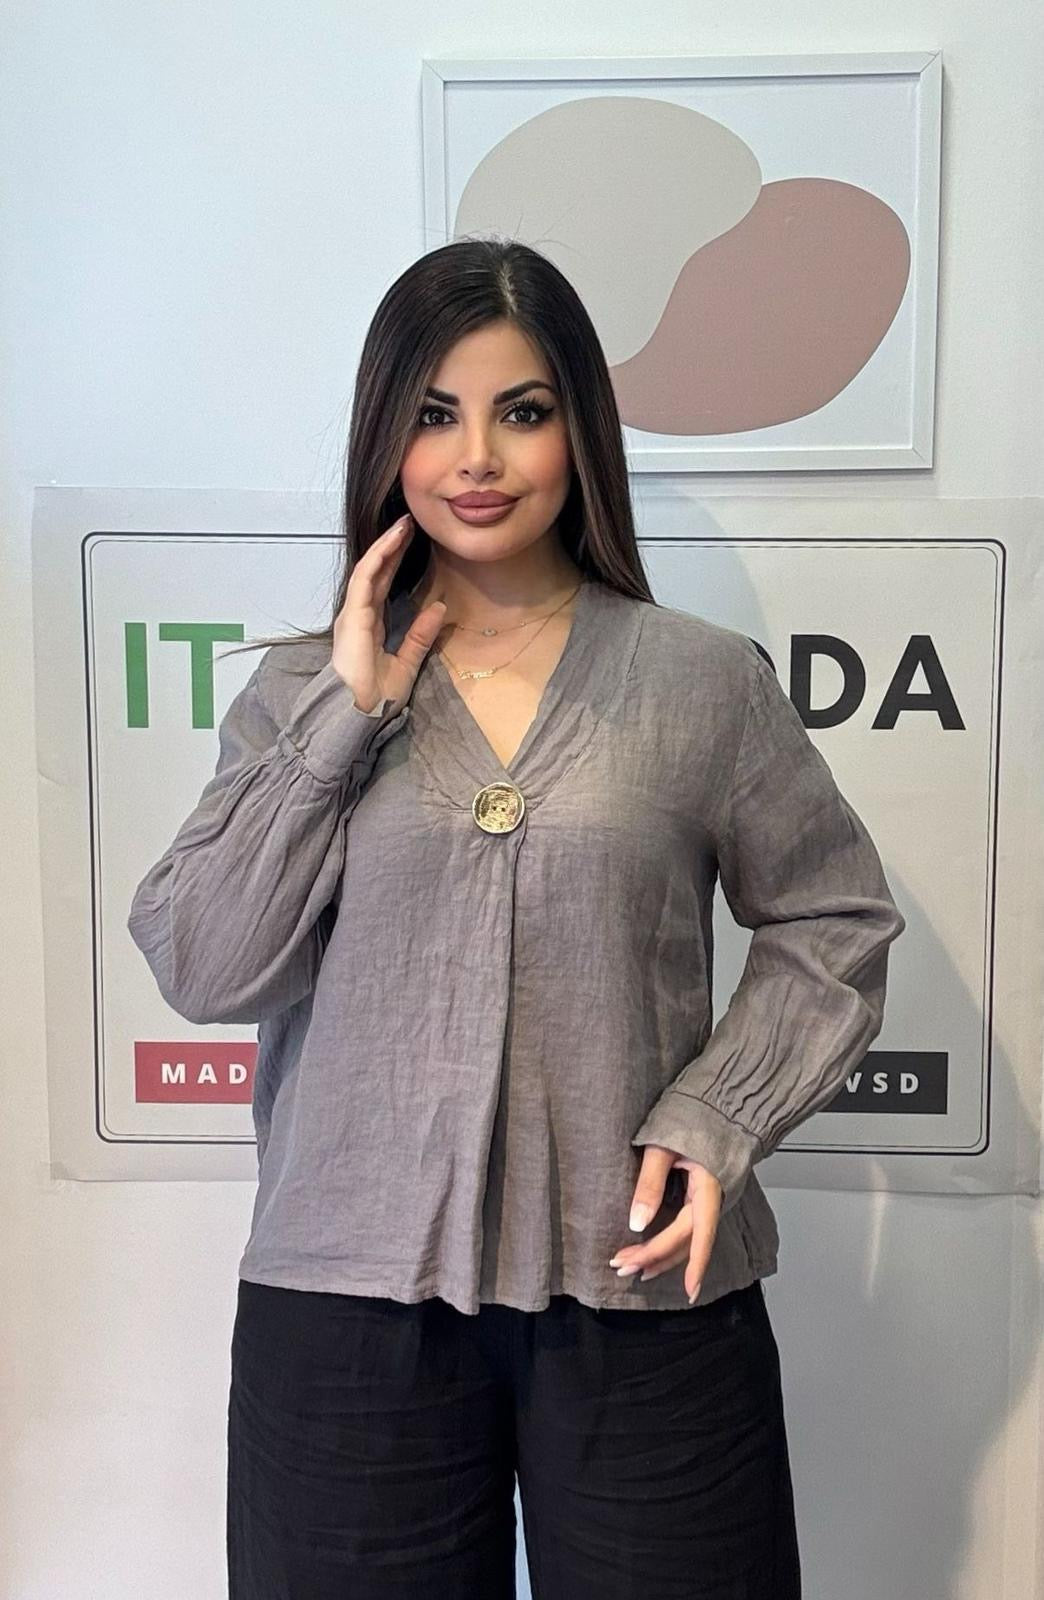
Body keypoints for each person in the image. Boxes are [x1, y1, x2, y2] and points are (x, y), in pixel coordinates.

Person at [127, 237, 906, 1598]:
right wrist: (345, 720)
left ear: (579, 432)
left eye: (522, 411)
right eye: (435, 414)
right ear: (387, 437)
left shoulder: (701, 682)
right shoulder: (301, 693)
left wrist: (717, 1114)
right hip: (347, 1308)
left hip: (640, 1284)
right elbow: (205, 962)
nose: (476, 457)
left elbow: (832, 919)